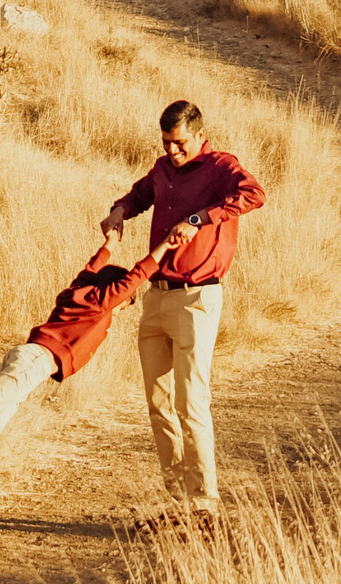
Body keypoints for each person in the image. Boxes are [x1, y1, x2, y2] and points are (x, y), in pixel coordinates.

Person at [0, 230, 182, 524]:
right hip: (36, 361)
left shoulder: (80, 288)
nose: (120, 310)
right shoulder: (99, 302)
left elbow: (91, 268)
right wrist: (164, 247)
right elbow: (137, 275)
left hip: (28, 356)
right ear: (113, 292)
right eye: (122, 305)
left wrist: (108, 246)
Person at [101, 100, 265, 523]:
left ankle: (205, 503)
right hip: (155, 296)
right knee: (157, 403)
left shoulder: (220, 167)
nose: (172, 151)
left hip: (197, 298)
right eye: (166, 143)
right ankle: (178, 503)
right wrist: (119, 211)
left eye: (179, 143)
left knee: (191, 401)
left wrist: (199, 217)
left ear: (198, 134)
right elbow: (139, 195)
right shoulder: (162, 169)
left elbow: (254, 194)